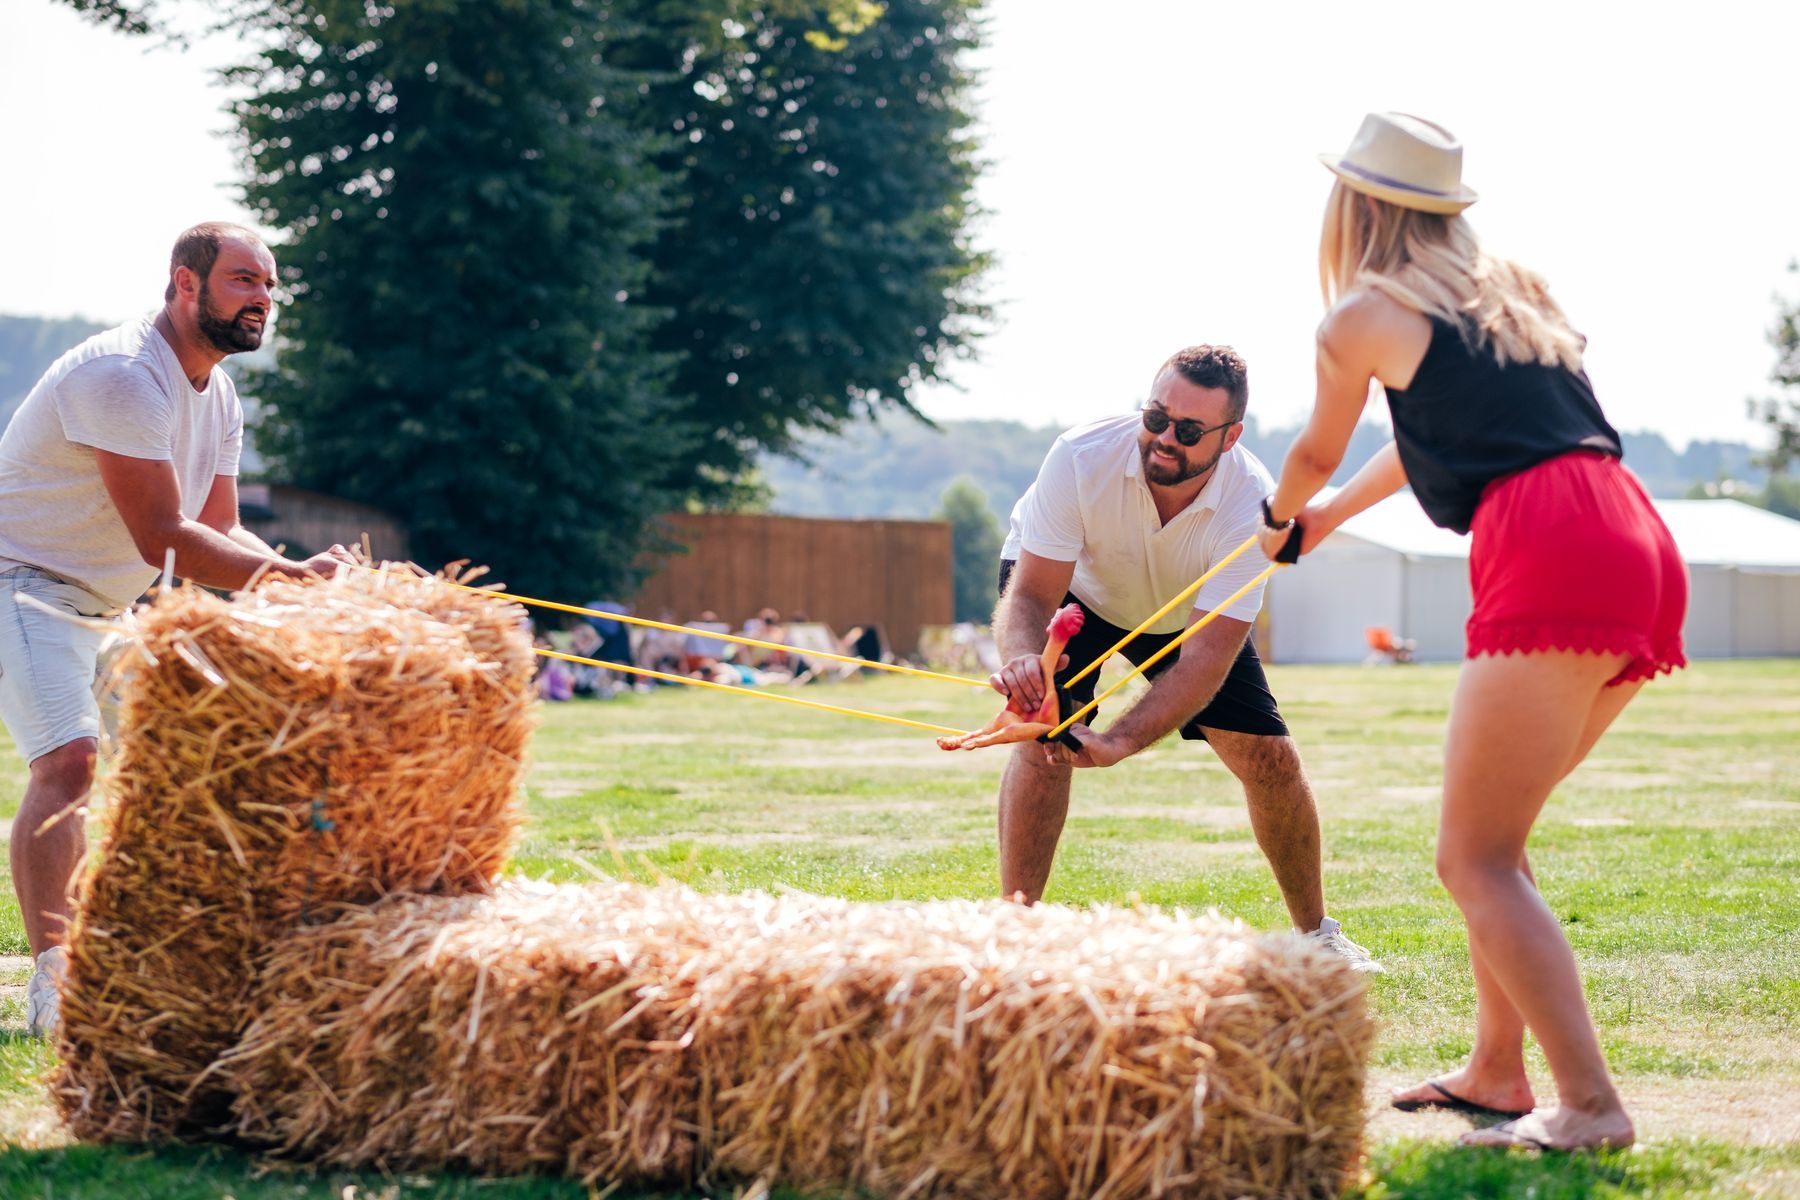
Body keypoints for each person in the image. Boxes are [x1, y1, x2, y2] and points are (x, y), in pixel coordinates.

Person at [1259, 113, 1687, 1151]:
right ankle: (1498, 1071)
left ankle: (1589, 1105)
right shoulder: (1505, 293)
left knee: (1474, 858)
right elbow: (1434, 438)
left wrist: (1281, 517)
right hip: (1625, 524)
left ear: (1356, 207)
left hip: (1546, 537)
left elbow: (1317, 448)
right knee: (1501, 841)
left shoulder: (1358, 315)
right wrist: (1328, 523)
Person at [0, 222, 355, 1037]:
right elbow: (162, 536)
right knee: (70, 761)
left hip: (105, 603)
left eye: (270, 285)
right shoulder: (125, 376)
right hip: (22, 586)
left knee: (194, 756)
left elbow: (219, 531)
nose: (263, 299)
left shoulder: (220, 392)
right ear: (185, 284)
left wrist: (314, 582)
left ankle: (161, 952)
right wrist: (289, 579)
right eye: (243, 281)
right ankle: (56, 985)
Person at [991, 344, 1380, 973]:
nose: (1165, 438)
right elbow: (1032, 594)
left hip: (1183, 612)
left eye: (1190, 430)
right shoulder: (1079, 454)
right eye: (1155, 417)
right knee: (1043, 740)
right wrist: (1020, 662)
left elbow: (1203, 660)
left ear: (1230, 438)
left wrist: (1118, 741)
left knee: (1270, 759)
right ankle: (1015, 933)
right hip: (1075, 590)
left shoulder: (1256, 506)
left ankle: (1316, 935)